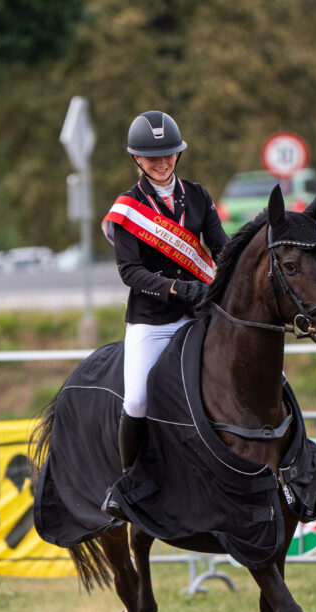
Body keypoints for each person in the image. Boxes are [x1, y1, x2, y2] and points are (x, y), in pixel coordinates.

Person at [101, 110, 229, 473]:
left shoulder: (199, 196)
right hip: (152, 320)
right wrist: (175, 288)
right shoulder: (129, 209)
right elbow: (130, 271)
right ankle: (130, 481)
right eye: (153, 156)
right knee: (138, 399)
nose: (162, 162)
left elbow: (221, 250)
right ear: (137, 159)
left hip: (201, 312)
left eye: (169, 153)